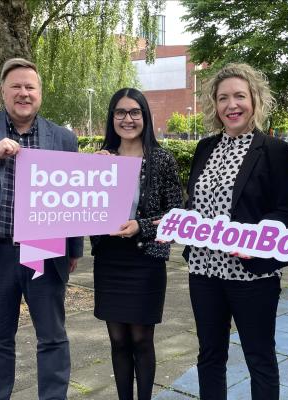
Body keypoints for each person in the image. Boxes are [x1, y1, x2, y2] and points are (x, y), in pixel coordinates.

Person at [182, 63, 288, 399]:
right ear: (215, 106)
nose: (231, 105)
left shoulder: (276, 151)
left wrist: (258, 236)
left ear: (254, 100)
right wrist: (180, 220)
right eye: (223, 98)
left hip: (252, 275)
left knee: (259, 357)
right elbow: (195, 203)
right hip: (203, 271)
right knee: (209, 355)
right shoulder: (204, 148)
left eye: (239, 96)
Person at [0, 58, 83, 400]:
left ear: (40, 93)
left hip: (45, 246)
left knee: (52, 336)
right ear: (3, 92)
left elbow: (76, 197)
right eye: (17, 86)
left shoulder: (64, 137)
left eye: (30, 87)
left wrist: (74, 249)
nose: (24, 93)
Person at [90, 88, 182, 400]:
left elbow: (175, 216)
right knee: (117, 339)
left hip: (146, 260)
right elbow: (83, 209)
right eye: (120, 112)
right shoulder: (100, 158)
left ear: (145, 116)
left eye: (134, 112)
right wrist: (90, 172)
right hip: (109, 259)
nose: (127, 119)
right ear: (111, 118)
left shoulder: (162, 159)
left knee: (141, 339)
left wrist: (140, 227)